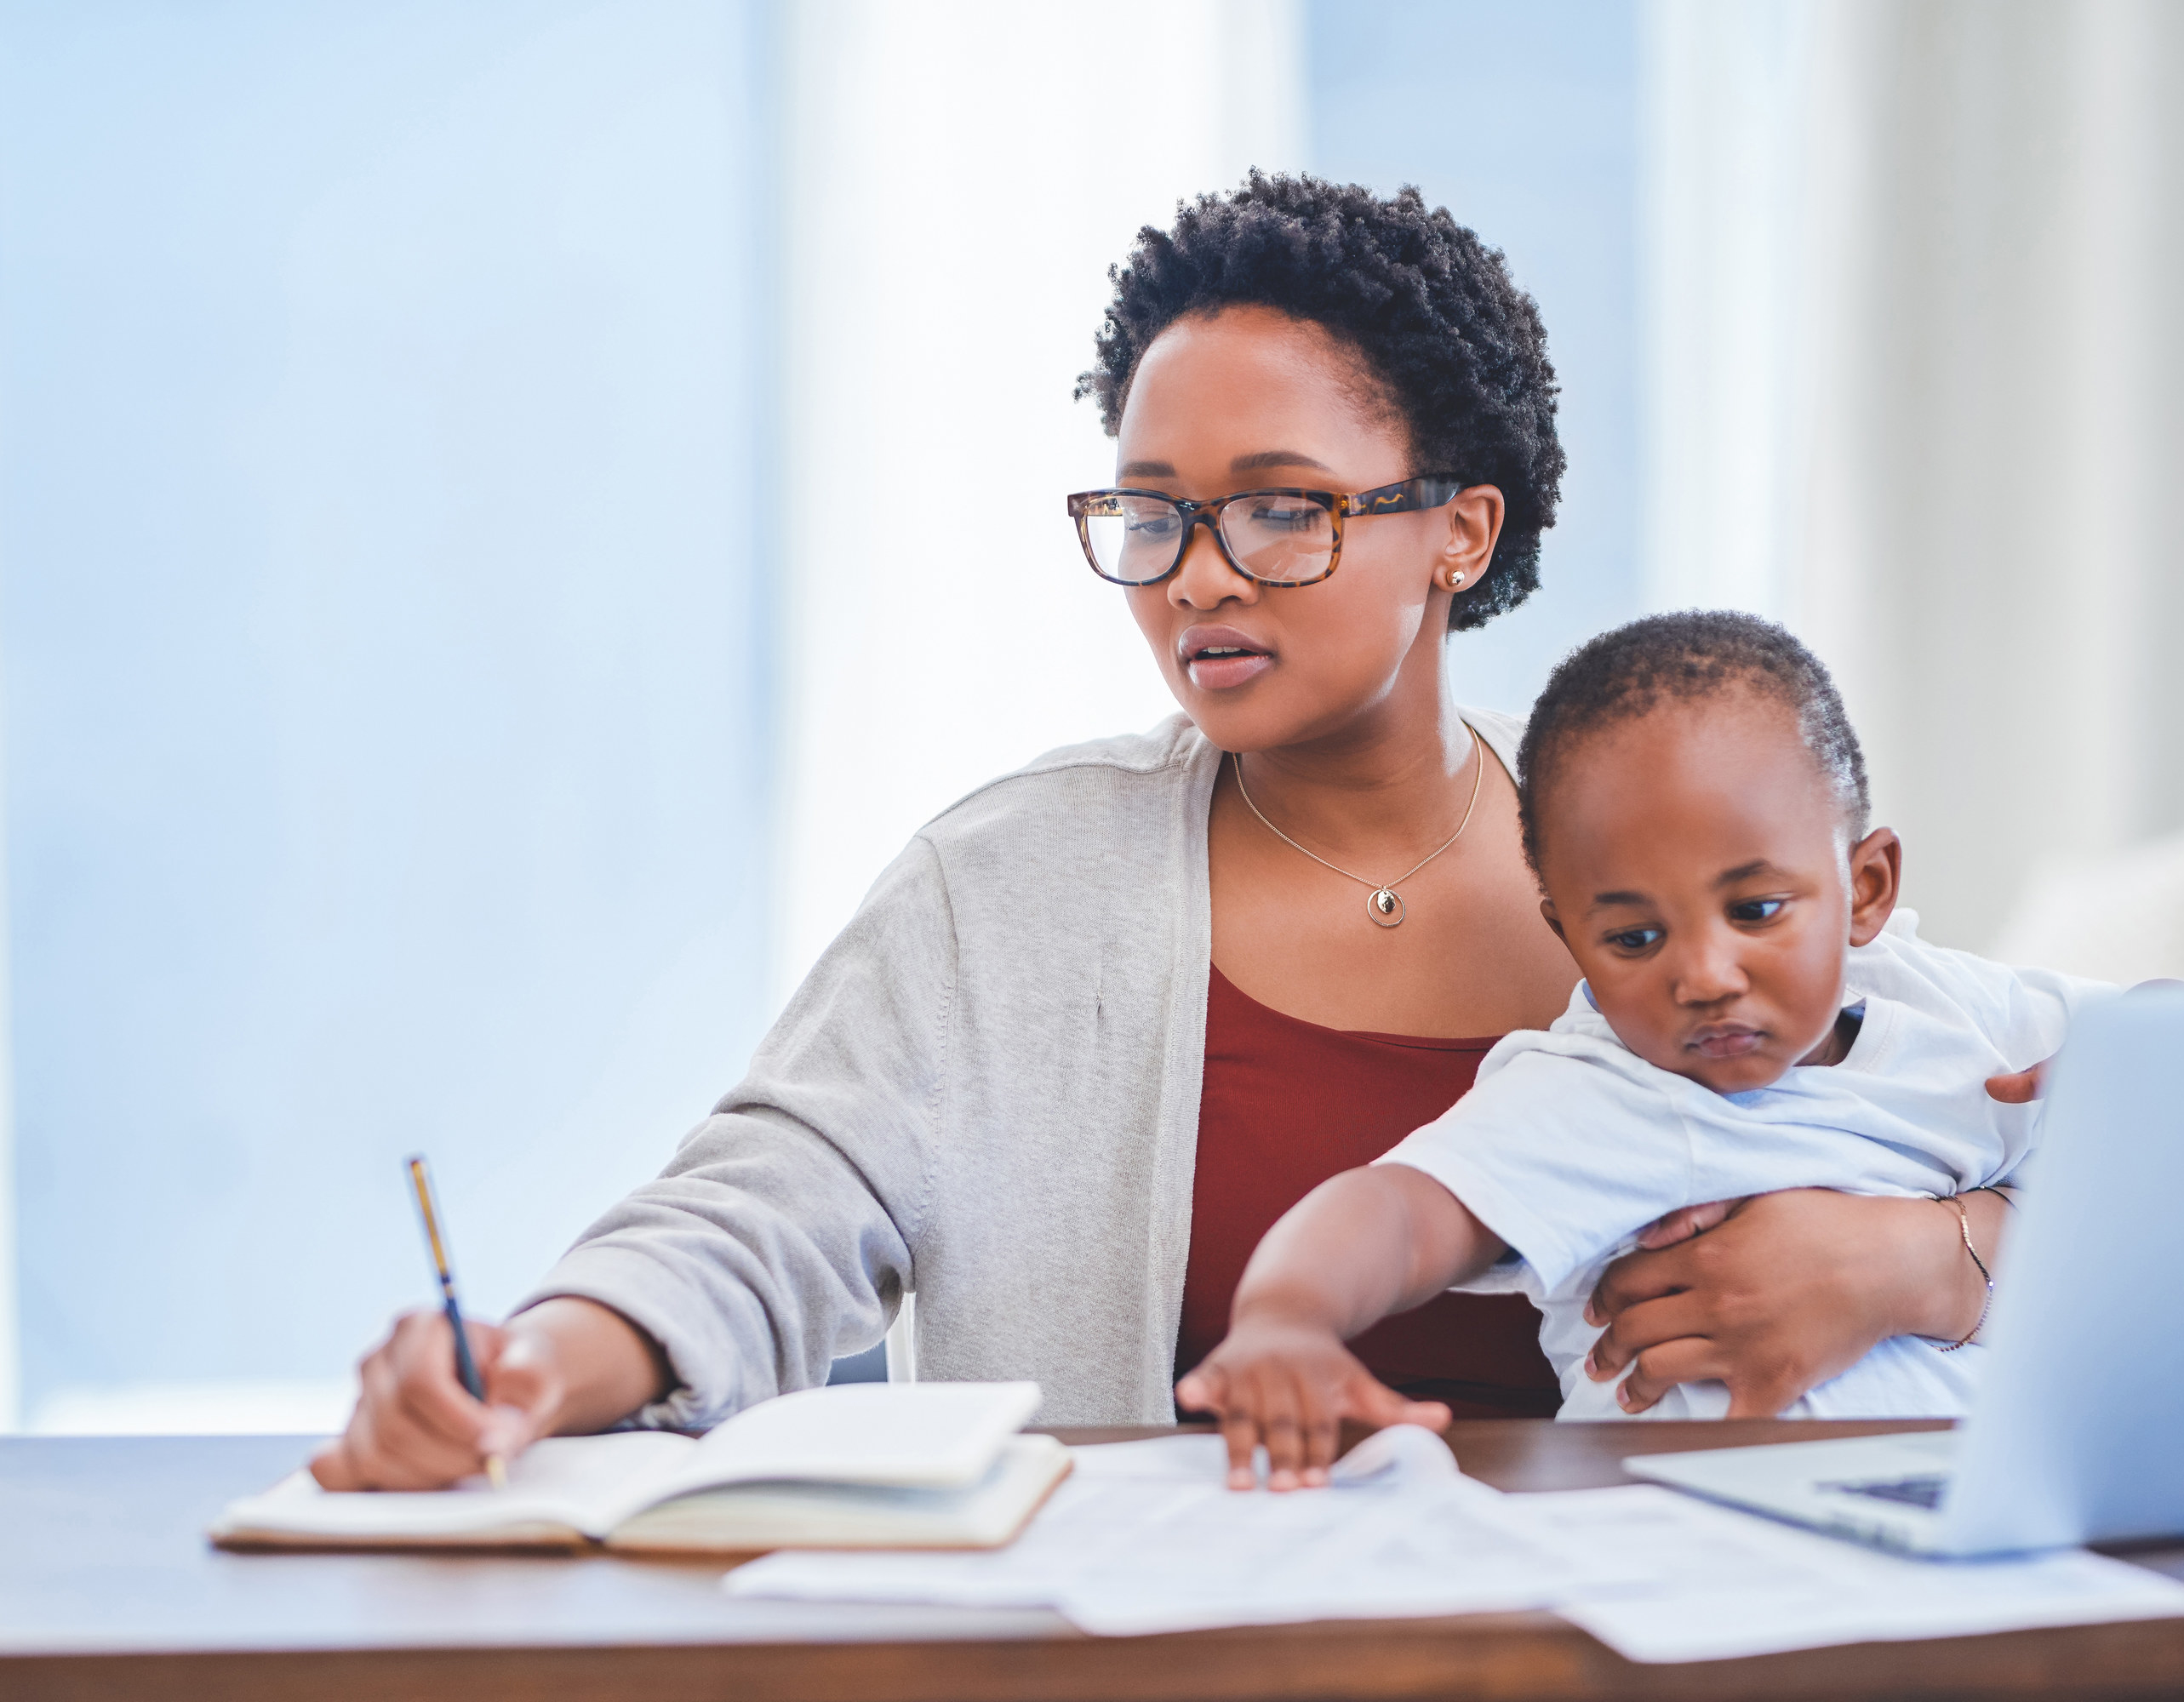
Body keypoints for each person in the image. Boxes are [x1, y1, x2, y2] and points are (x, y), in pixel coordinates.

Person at [312, 176, 2018, 1493]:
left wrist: (1927, 1260)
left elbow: (2080, 1163)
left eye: (1282, 506)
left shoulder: (1681, 849)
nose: (1198, 573)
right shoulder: (1013, 886)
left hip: (1680, 1613)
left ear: (1459, 531)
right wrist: (537, 1356)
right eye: (1153, 513)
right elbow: (762, 1213)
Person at [1176, 612, 2098, 1488]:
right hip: (1690, 1534)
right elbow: (1401, 1209)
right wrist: (1287, 1314)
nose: (1704, 974)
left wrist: (2155, 1064)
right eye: (1634, 938)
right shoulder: (1600, 1090)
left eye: (1755, 911)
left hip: (1974, 1510)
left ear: (1866, 886)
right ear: (1571, 938)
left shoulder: (1952, 1008)